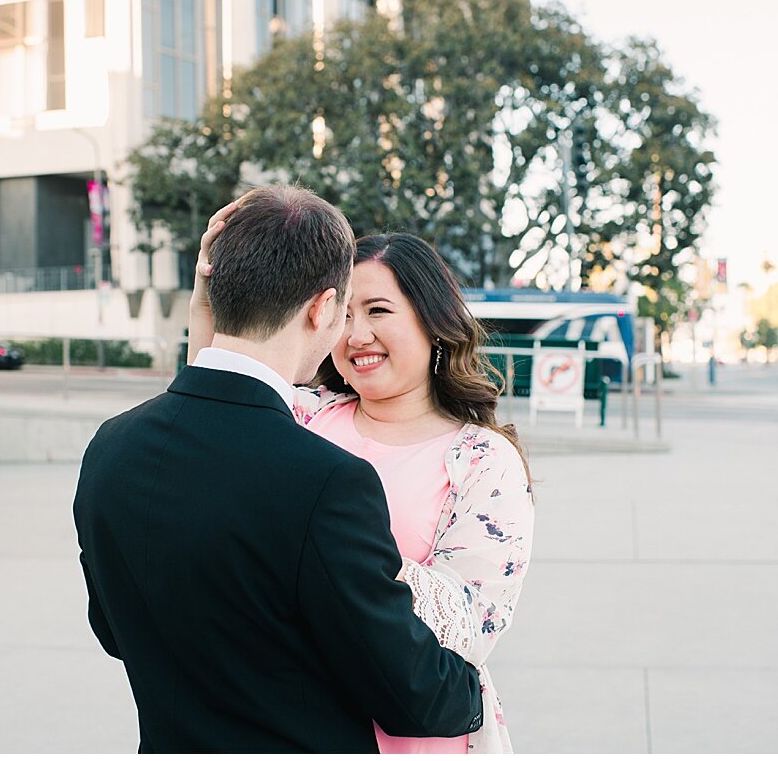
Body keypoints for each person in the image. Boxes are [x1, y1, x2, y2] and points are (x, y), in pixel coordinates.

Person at [73, 184, 484, 753]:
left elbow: (114, 632)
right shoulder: (325, 482)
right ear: (322, 308)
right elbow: (410, 693)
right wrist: (472, 694)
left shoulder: (111, 448)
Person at [189, 206, 535, 754]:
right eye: (343, 313)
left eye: (377, 310)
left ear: (432, 319)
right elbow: (214, 420)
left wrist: (337, 548)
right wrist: (211, 295)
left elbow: (470, 626)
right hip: (290, 722)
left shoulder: (480, 460)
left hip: (415, 732)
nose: (357, 335)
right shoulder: (301, 416)